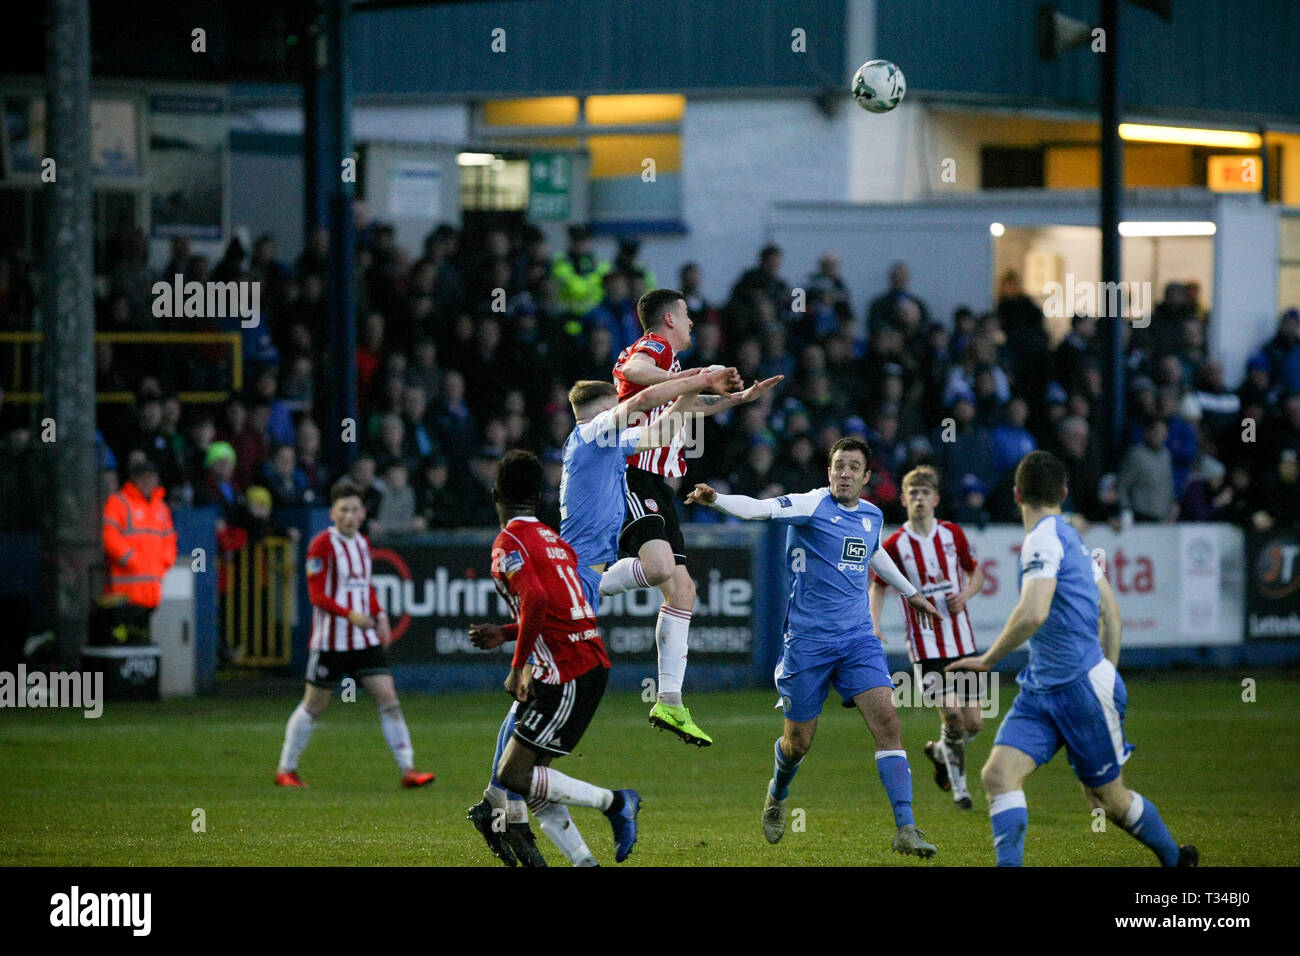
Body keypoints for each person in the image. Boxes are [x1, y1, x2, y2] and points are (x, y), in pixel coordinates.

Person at [466, 365, 758, 867]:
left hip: (591, 576)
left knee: (538, 704)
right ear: (599, 412)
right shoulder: (589, 435)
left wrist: (729, 399)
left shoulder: (611, 445)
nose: (624, 420)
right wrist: (701, 376)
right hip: (577, 575)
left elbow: (665, 425)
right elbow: (647, 405)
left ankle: (523, 814)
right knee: (533, 702)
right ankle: (502, 800)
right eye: (616, 412)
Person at [686, 437, 943, 859]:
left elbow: (873, 553)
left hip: (858, 639)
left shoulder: (872, 515)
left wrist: (910, 592)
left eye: (852, 467)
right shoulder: (810, 506)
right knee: (799, 743)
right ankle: (777, 792)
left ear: (865, 477)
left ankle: (906, 827)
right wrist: (717, 501)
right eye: (838, 465)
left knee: (889, 724)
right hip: (807, 645)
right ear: (829, 473)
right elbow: (760, 508)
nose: (844, 473)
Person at [946, 451, 1197, 867]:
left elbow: (1033, 612)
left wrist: (987, 660)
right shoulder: (1073, 540)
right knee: (997, 775)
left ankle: (1176, 860)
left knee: (1111, 801)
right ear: (1063, 493)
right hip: (1043, 689)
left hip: (1079, 689)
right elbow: (1112, 614)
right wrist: (1108, 675)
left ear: (1016, 494)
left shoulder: (1042, 538)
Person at [467, 451, 642, 865]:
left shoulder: (507, 544)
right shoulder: (553, 540)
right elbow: (554, 607)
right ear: (540, 497)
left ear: (495, 495)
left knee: (513, 775)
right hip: (582, 664)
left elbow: (536, 599)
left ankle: (616, 802)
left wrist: (516, 666)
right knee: (533, 779)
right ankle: (585, 863)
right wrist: (506, 633)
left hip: (566, 674)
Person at [598, 288, 746, 747]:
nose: (693, 325)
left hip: (660, 485)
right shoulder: (655, 349)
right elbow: (634, 368)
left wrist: (737, 399)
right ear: (667, 318)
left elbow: (688, 406)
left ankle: (670, 701)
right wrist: (695, 377)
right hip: (634, 475)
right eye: (686, 316)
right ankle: (581, 580)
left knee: (683, 590)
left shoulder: (675, 370)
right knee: (662, 569)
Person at [274, 479, 436, 790]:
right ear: (333, 514)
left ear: (363, 514)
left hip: (364, 640)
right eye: (343, 510)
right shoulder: (321, 544)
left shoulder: (362, 543)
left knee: (389, 699)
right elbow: (316, 594)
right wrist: (351, 615)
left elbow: (365, 587)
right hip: (331, 642)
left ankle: (408, 770)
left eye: (355, 509)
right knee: (313, 705)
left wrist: (381, 616)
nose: (350, 515)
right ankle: (286, 769)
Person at [869, 465, 985, 810]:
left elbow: (975, 573)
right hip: (925, 646)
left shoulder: (953, 534)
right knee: (951, 716)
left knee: (974, 723)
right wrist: (873, 624)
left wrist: (965, 595)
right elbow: (878, 588)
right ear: (904, 500)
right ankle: (961, 789)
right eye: (913, 494)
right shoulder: (894, 544)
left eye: (925, 493)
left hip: (962, 642)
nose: (919, 499)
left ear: (935, 499)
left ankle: (938, 751)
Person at [99, 457, 178, 645]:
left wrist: (164, 563)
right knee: (124, 640)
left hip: (151, 590)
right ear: (134, 478)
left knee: (142, 639)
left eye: (152, 477)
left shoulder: (161, 508)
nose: (148, 482)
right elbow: (109, 536)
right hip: (124, 592)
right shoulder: (118, 502)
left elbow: (169, 540)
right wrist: (131, 560)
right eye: (144, 477)